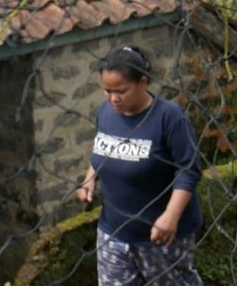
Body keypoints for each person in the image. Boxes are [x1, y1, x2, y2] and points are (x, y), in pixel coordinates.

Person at [76, 45, 203, 285]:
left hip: (161, 236)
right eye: (107, 90)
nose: (113, 98)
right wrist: (90, 178)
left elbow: (189, 169)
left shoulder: (169, 117)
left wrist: (170, 216)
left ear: (143, 82)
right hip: (113, 232)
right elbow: (102, 149)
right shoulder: (105, 112)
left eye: (121, 91)